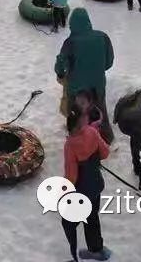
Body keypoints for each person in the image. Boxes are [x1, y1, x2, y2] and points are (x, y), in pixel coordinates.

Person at [54, 8, 115, 143]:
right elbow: (109, 61)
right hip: (97, 84)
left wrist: (60, 72)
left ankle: (77, 139)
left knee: (75, 113)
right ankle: (106, 138)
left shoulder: (70, 42)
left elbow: (61, 65)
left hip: (76, 87)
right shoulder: (102, 37)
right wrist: (97, 70)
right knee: (100, 110)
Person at [61, 105, 111, 262]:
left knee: (68, 222)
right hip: (96, 184)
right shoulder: (92, 132)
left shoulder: (70, 145)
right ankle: (97, 249)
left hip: (82, 191)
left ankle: (75, 256)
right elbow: (105, 153)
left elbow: (71, 176)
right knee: (92, 218)